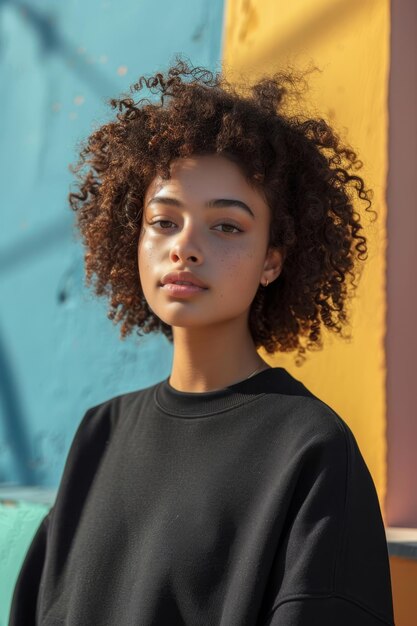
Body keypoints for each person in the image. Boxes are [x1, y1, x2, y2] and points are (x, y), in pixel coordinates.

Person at [9, 57, 395, 625]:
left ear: (272, 260)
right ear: (131, 237)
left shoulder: (311, 450)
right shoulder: (100, 434)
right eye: (164, 221)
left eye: (227, 226)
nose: (184, 248)